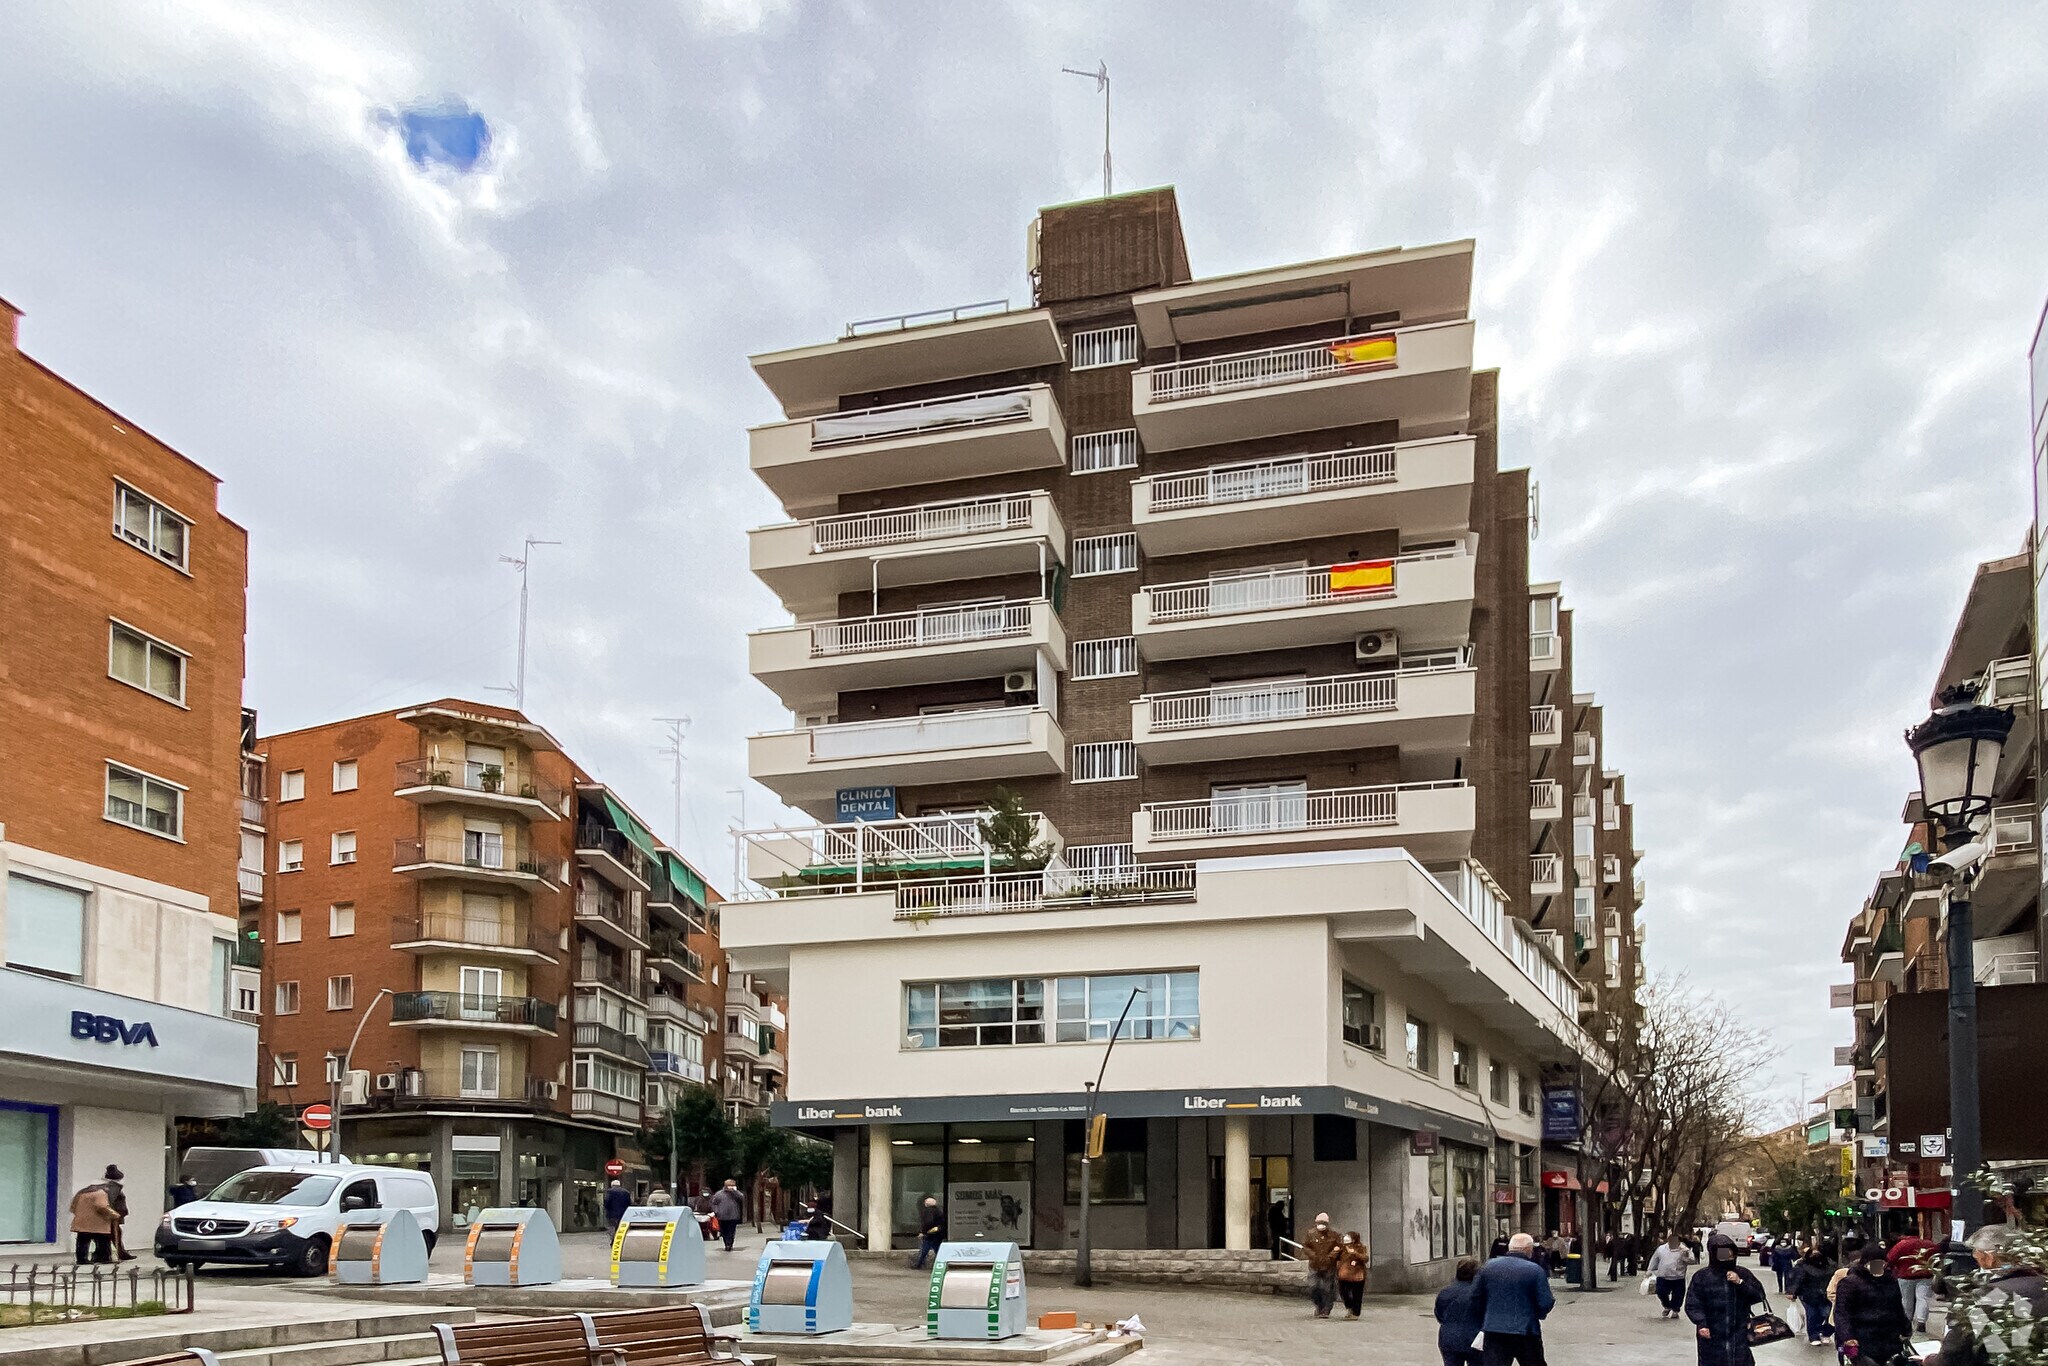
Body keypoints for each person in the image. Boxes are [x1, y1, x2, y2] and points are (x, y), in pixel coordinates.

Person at [1925, 1223, 2048, 1366]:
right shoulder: (2043, 1283)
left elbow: (1956, 1350)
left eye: (1976, 1255)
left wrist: (1930, 1361)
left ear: (1989, 1258)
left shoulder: (1992, 1293)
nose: (1975, 1259)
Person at [1470, 1231, 1555, 1364]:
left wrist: (1486, 1316)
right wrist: (1537, 1314)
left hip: (1494, 1329)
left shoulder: (1488, 1266)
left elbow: (1475, 1296)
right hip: (1526, 1329)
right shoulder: (1535, 1270)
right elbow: (1545, 1302)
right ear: (1529, 1250)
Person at [1684, 1232, 1767, 1365]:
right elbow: (1693, 1303)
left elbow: (1759, 1296)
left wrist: (1740, 1283)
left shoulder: (1743, 1273)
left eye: (1730, 1253)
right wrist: (1702, 1323)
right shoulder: (1702, 1277)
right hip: (1711, 1332)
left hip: (1739, 1330)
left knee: (1740, 1361)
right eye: (1722, 1253)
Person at [1836, 1243, 1913, 1365]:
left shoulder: (1890, 1281)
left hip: (1888, 1338)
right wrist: (1847, 1337)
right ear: (1865, 1262)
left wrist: (1905, 1329)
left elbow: (1897, 1307)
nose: (1879, 1266)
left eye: (1882, 1262)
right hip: (1856, 1339)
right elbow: (1842, 1313)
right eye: (1875, 1262)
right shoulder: (1849, 1283)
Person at [1434, 1257, 1486, 1366]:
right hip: (1474, 1339)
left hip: (1448, 1338)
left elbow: (1439, 1314)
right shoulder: (1479, 1293)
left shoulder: (1445, 1292)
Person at [1888, 1228, 1940, 1335]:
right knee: (1923, 1298)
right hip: (1925, 1275)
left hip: (1905, 1276)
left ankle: (1907, 1322)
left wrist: (1893, 1269)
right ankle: (1921, 1321)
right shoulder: (1929, 1244)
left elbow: (1890, 1258)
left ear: (1905, 1234)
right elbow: (1937, 1257)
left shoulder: (1901, 1244)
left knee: (1906, 1300)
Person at [1784, 1244, 1834, 1346]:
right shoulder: (1803, 1266)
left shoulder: (1830, 1266)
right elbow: (1797, 1279)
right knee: (1813, 1315)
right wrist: (1792, 1292)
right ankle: (1814, 1335)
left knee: (1828, 1315)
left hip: (1824, 1295)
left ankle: (1823, 1332)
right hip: (1810, 1295)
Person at [1301, 1212, 1343, 1318]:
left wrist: (1331, 1257)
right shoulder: (1310, 1234)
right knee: (1313, 1286)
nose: (1321, 1225)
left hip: (1329, 1265)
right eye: (1319, 1223)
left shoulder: (1334, 1235)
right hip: (1314, 1264)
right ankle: (1319, 1305)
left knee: (1327, 1288)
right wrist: (1313, 1255)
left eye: (1324, 1223)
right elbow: (1305, 1247)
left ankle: (1326, 1309)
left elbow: (1339, 1247)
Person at [1649, 1230, 1696, 1319]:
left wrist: (1685, 1256)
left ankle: (1675, 1310)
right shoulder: (1661, 1249)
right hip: (1663, 1275)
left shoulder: (1684, 1250)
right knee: (1660, 1292)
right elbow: (1655, 1259)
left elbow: (1692, 1261)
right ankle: (1667, 1306)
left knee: (1678, 1295)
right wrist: (1650, 1270)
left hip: (1678, 1276)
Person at [68, 1182, 117, 1264]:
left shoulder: (81, 1193)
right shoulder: (100, 1193)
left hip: (82, 1222)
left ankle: (82, 1259)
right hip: (98, 1223)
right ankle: (103, 1258)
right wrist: (113, 1214)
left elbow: (73, 1207)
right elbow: (101, 1206)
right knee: (103, 1241)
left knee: (82, 1242)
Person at [97, 1165, 136, 1262]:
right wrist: (112, 1214)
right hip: (113, 1216)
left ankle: (119, 1253)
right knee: (114, 1234)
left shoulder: (108, 1186)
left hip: (112, 1215)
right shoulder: (113, 1187)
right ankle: (118, 1254)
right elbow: (110, 1201)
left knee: (114, 1234)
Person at [1334, 1230, 1370, 1318]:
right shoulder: (1342, 1248)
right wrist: (1335, 1251)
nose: (1346, 1238)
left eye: (1349, 1236)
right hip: (1344, 1275)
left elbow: (1365, 1258)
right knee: (1344, 1293)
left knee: (1357, 1295)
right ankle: (1350, 1307)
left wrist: (1354, 1253)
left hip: (1357, 1275)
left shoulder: (1361, 1247)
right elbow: (1334, 1258)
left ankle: (1355, 1313)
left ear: (1354, 1239)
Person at [909, 1196, 946, 1270]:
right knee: (937, 1249)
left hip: (930, 1234)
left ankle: (919, 1264)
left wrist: (924, 1232)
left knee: (924, 1250)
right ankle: (943, 1263)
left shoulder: (927, 1211)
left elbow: (927, 1222)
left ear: (926, 1204)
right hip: (938, 1233)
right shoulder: (938, 1211)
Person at [711, 1178, 746, 1252]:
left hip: (733, 1216)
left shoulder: (736, 1194)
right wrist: (716, 1211)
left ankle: (729, 1244)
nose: (731, 1187)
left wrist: (735, 1191)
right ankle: (726, 1243)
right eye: (729, 1186)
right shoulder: (719, 1194)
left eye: (732, 1185)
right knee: (724, 1231)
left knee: (731, 1231)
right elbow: (714, 1203)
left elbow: (742, 1197)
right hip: (722, 1216)